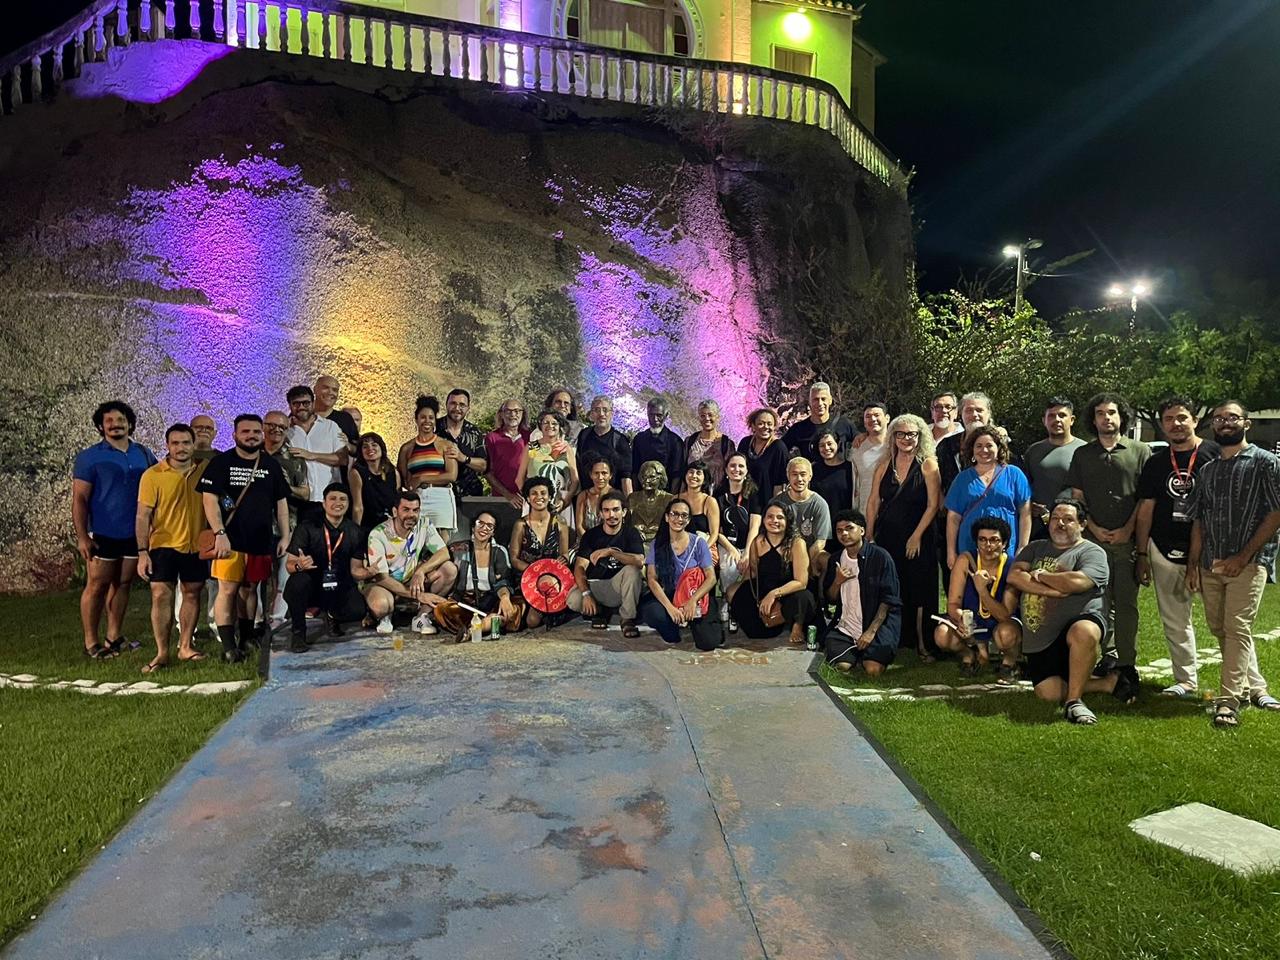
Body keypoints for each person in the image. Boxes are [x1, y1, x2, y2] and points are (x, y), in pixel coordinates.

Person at [1186, 401, 1280, 728]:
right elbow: (1199, 519)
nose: (1225, 423)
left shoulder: (1266, 463)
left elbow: (1275, 514)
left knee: (1237, 627)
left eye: (1232, 417)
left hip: (1248, 563)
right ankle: (1255, 688)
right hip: (1211, 562)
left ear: (1246, 423)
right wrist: (1193, 564)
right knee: (1220, 628)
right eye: (1219, 419)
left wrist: (1244, 556)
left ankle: (1229, 701)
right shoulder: (1208, 470)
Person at [1007, 498, 1133, 725]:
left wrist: (1040, 575)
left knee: (1084, 631)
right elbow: (1015, 576)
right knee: (1048, 693)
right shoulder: (1035, 548)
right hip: (1041, 639)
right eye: (1055, 518)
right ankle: (1107, 683)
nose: (1060, 524)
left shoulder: (1092, 552)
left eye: (1068, 519)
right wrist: (1053, 591)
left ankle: (1074, 702)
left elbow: (1077, 582)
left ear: (1082, 524)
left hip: (1076, 626)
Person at [1135, 397, 1221, 697]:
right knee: (1175, 620)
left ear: (1195, 420)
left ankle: (1245, 683)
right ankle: (1185, 680)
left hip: (1211, 550)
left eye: (1182, 417)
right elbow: (1146, 509)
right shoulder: (1156, 462)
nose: (1176, 424)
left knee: (1226, 621)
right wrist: (1142, 553)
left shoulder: (1215, 454)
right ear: (1162, 425)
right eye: (1169, 419)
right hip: (1164, 546)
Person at [1067, 392, 1150, 683]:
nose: (1106, 418)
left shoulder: (1140, 451)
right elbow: (1077, 497)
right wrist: (1092, 526)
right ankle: (1107, 656)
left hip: (1128, 541)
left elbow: (1145, 499)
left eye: (1111, 412)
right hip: (1092, 541)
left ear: (1121, 417)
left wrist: (1128, 529)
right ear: (1093, 419)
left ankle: (1127, 663)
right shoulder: (1082, 454)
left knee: (1126, 604)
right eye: (1100, 413)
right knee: (1097, 603)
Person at [199, 414, 291, 662]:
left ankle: (247, 638)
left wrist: (285, 535)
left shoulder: (270, 465)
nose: (251, 436)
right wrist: (220, 533)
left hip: (260, 540)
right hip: (230, 539)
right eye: (245, 431)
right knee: (228, 590)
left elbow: (281, 503)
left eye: (256, 432)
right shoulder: (221, 463)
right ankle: (229, 647)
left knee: (251, 589)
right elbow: (209, 500)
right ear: (235, 435)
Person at [73, 400, 157, 659]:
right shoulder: (89, 457)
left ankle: (114, 636)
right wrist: (82, 537)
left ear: (130, 424)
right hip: (103, 533)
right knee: (97, 586)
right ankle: (91, 643)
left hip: (135, 533)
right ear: (101, 426)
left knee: (123, 584)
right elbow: (80, 499)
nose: (115, 424)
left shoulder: (143, 453)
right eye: (109, 421)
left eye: (120, 420)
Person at [135, 423, 209, 673]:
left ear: (193, 444)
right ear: (167, 445)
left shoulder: (205, 470)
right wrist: (142, 552)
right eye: (175, 443)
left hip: (195, 544)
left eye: (186, 442)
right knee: (160, 595)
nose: (181, 448)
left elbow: (222, 499)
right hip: (162, 545)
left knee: (192, 593)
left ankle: (185, 646)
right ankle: (162, 653)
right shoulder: (153, 475)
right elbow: (142, 515)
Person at [866, 414, 940, 661]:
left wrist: (916, 536)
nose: (906, 439)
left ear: (920, 436)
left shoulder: (928, 465)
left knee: (920, 589)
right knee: (893, 587)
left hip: (919, 536)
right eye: (901, 434)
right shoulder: (884, 465)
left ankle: (923, 643)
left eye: (911, 434)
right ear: (893, 437)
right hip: (889, 536)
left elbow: (933, 505)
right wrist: (869, 533)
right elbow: (873, 501)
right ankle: (895, 637)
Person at [282, 484, 374, 651]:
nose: (338, 503)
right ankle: (298, 632)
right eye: (333, 499)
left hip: (339, 585)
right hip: (312, 584)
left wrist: (369, 572)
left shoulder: (355, 532)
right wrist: (299, 565)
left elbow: (355, 569)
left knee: (358, 610)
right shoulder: (306, 527)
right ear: (324, 503)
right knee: (298, 583)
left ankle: (333, 615)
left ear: (348, 504)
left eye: (343, 499)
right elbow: (290, 566)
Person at [934, 515, 1022, 680]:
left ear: (1004, 544)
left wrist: (982, 590)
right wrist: (961, 619)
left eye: (994, 540)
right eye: (982, 540)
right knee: (942, 635)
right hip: (972, 620)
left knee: (1007, 634)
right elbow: (952, 603)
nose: (988, 545)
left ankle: (1010, 663)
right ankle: (969, 655)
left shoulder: (1012, 566)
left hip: (1001, 622)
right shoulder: (965, 560)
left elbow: (1005, 615)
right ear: (976, 542)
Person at [364, 490, 458, 636]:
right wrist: (418, 596)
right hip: (384, 583)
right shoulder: (378, 534)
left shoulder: (424, 524)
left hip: (410, 578)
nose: (411, 515)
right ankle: (384, 616)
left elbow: (444, 553)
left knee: (449, 570)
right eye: (406, 510)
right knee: (381, 606)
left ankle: (421, 617)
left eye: (415, 510)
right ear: (395, 512)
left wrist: (421, 571)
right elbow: (381, 577)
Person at [821, 509, 902, 675]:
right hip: (846, 627)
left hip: (877, 624)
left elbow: (889, 599)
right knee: (841, 666)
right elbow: (830, 598)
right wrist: (838, 581)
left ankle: (868, 655)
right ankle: (854, 655)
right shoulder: (836, 559)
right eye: (839, 530)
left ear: (862, 530)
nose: (844, 534)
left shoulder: (881, 557)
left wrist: (871, 632)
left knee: (873, 670)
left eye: (849, 528)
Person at [729, 503, 818, 643]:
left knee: (803, 597)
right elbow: (753, 574)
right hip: (765, 587)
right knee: (735, 595)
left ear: (787, 521)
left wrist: (774, 594)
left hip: (790, 591)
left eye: (780, 517)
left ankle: (797, 625)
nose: (774, 521)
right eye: (770, 517)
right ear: (764, 520)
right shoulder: (758, 542)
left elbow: (801, 582)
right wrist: (739, 592)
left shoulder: (797, 543)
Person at [944, 425, 1032, 568]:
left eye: (989, 445)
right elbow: (953, 518)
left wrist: (1023, 546)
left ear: (998, 448)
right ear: (972, 450)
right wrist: (950, 552)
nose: (984, 450)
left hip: (1005, 543)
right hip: (970, 543)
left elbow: (1025, 513)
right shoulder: (962, 478)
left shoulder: (1014, 474)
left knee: (1004, 579)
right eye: (978, 446)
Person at [640, 498, 721, 649]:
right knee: (652, 613)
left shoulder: (699, 543)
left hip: (695, 594)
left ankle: (705, 623)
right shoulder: (657, 544)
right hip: (671, 594)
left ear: (688, 520)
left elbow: (711, 578)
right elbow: (652, 579)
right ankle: (674, 628)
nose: (679, 519)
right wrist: (670, 608)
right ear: (667, 517)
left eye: (684, 515)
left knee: (708, 643)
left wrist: (692, 601)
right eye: (674, 514)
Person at [434, 509, 523, 641]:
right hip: (466, 604)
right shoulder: (458, 549)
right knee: (441, 610)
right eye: (480, 523)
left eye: (489, 526)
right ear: (472, 527)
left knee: (517, 606)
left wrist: (504, 598)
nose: (484, 528)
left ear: (493, 532)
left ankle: (473, 629)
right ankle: (488, 624)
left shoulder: (499, 552)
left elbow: (503, 581)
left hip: (492, 602)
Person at [568, 491, 644, 636]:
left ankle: (627, 619)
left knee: (632, 570)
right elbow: (579, 567)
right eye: (606, 510)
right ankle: (600, 611)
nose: (611, 515)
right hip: (597, 585)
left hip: (619, 586)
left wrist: (611, 552)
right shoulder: (591, 535)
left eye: (616, 510)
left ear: (624, 512)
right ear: (601, 514)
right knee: (573, 600)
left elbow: (639, 561)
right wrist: (586, 594)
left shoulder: (631, 533)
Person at [262, 409, 310, 629]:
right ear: (263, 426)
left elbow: (305, 493)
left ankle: (277, 621)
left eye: (282, 427)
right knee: (256, 580)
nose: (276, 430)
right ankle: (256, 621)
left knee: (283, 578)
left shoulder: (294, 458)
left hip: (286, 526)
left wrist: (282, 488)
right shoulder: (250, 454)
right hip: (254, 526)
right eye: (271, 425)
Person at [509, 476, 572, 629]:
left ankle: (553, 609)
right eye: (534, 493)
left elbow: (564, 554)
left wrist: (564, 559)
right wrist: (535, 571)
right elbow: (514, 559)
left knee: (533, 619)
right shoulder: (520, 525)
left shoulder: (560, 523)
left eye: (543, 493)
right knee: (531, 621)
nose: (539, 497)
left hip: (552, 578)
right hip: (527, 578)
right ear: (528, 498)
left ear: (550, 497)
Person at [1022, 398, 1086, 540]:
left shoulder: (1084, 451)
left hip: (1072, 529)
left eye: (1062, 415)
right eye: (1051, 416)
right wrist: (1030, 506)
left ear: (1072, 420)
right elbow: (1025, 488)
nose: (1057, 420)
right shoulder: (1033, 451)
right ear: (1044, 420)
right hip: (1038, 529)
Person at [285, 384, 349, 525]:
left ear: (313, 403)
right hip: (297, 500)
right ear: (289, 406)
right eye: (296, 403)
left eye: (306, 403)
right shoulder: (286, 432)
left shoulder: (330, 426)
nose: (301, 407)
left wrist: (312, 455)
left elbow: (343, 459)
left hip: (328, 499)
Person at [398, 395, 460, 536]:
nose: (427, 421)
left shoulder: (446, 445)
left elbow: (451, 475)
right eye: (423, 417)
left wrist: (422, 478)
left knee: (441, 541)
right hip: (417, 497)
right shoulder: (407, 448)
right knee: (414, 539)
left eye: (431, 418)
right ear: (416, 419)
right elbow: (405, 479)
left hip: (441, 495)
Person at [715, 452, 765, 625]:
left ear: (746, 470)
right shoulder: (718, 494)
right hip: (726, 544)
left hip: (749, 543)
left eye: (741, 466)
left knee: (752, 566)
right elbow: (716, 530)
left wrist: (747, 553)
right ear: (726, 470)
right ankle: (726, 601)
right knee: (728, 566)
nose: (737, 469)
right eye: (732, 466)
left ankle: (742, 603)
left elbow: (755, 526)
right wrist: (733, 550)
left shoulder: (753, 493)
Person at [516, 409, 579, 529]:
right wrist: (530, 499)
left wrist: (564, 501)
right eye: (546, 422)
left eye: (554, 423)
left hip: (561, 503)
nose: (550, 426)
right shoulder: (533, 447)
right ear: (540, 425)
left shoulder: (566, 449)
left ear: (560, 426)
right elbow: (519, 479)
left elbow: (575, 480)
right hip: (535, 503)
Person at [769, 457, 832, 560]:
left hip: (809, 555)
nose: (799, 479)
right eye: (794, 474)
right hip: (781, 553)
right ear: (788, 476)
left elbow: (820, 541)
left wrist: (802, 562)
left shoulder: (819, 504)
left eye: (803, 474)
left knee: (825, 558)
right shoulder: (776, 503)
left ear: (810, 476)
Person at [781, 381, 856, 460]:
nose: (820, 403)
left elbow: (861, 442)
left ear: (830, 400)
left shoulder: (844, 424)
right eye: (816, 399)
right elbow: (779, 449)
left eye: (823, 399)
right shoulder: (799, 429)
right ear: (810, 402)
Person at [577, 395, 634, 496]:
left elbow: (626, 477)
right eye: (597, 410)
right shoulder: (583, 435)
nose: (601, 414)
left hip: (611, 499)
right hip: (587, 496)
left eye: (605, 410)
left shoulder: (620, 441)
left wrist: (629, 501)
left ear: (611, 414)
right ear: (592, 414)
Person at [438, 388, 488, 499]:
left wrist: (464, 458)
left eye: (462, 405)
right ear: (446, 405)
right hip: (439, 494)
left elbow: (483, 465)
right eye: (453, 403)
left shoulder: (475, 432)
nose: (457, 408)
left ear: (468, 408)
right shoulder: (433, 429)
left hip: (470, 495)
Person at [348, 432, 400, 533]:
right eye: (365, 447)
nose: (370, 449)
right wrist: (355, 533)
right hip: (368, 525)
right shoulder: (356, 472)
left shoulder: (393, 472)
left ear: (381, 448)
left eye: (374, 445)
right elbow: (358, 507)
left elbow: (398, 501)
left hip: (390, 526)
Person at [485, 398, 531, 507]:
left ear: (523, 414)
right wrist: (508, 495)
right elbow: (487, 472)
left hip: (527, 499)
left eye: (517, 411)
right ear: (501, 414)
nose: (513, 414)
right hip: (500, 499)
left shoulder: (530, 437)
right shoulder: (492, 438)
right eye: (508, 411)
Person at [682, 399, 737, 489]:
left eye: (710, 415)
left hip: (717, 493)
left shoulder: (726, 444)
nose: (707, 419)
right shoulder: (690, 441)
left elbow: (732, 472)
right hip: (693, 493)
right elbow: (683, 470)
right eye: (702, 416)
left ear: (718, 417)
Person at [632, 397, 684, 492]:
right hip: (642, 491)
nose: (655, 419)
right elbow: (635, 470)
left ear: (666, 415)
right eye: (651, 415)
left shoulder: (675, 441)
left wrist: (672, 497)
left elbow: (677, 474)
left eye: (659, 415)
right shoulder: (639, 439)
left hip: (665, 493)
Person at [738, 407, 788, 497]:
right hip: (743, 499)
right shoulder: (745, 443)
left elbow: (779, 484)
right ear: (753, 426)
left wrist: (775, 504)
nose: (766, 427)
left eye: (769, 424)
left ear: (774, 427)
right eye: (761, 423)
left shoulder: (779, 448)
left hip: (766, 501)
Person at [850, 402, 889, 512]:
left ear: (887, 418)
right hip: (865, 511)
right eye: (868, 416)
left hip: (893, 512)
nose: (873, 419)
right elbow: (855, 487)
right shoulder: (857, 449)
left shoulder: (897, 445)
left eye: (877, 415)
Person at [627, 461, 674, 546]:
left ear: (661, 478)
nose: (647, 480)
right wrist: (635, 532)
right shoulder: (632, 498)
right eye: (644, 476)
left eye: (652, 477)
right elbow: (626, 524)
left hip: (661, 543)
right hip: (636, 542)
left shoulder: (669, 499)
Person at [811, 429, 854, 518]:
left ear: (838, 444)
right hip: (820, 520)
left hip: (844, 521)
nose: (826, 448)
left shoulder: (850, 468)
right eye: (822, 445)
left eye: (829, 444)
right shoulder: (813, 469)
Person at [681, 460, 721, 552]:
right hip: (679, 546)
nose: (694, 476)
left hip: (704, 546)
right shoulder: (676, 499)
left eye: (698, 473)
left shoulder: (710, 502)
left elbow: (714, 534)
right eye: (691, 472)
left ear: (704, 479)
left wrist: (702, 550)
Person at [313, 375, 359, 451]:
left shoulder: (345, 419)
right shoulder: (302, 415)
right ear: (315, 389)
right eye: (326, 388)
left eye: (335, 390)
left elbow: (357, 450)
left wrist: (348, 445)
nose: (330, 392)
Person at [575, 457, 618, 535]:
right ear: (590, 475)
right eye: (596, 473)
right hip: (586, 539)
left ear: (610, 475)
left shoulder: (617, 496)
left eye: (604, 473)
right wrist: (589, 541)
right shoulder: (583, 496)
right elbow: (579, 526)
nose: (600, 477)